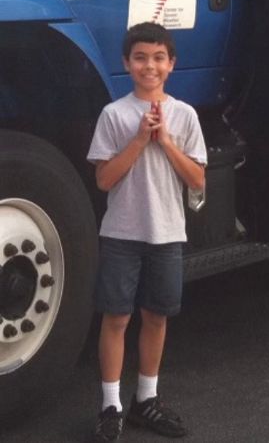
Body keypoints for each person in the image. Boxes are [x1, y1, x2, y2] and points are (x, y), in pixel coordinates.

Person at [87, 22, 207, 442]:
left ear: (171, 64)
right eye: (140, 57)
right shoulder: (114, 115)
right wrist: (140, 139)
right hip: (122, 233)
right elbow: (104, 179)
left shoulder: (185, 115)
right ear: (126, 63)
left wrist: (167, 142)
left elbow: (196, 179)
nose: (149, 66)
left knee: (156, 316)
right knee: (116, 316)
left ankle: (146, 399)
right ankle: (110, 404)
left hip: (167, 233)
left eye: (158, 58)